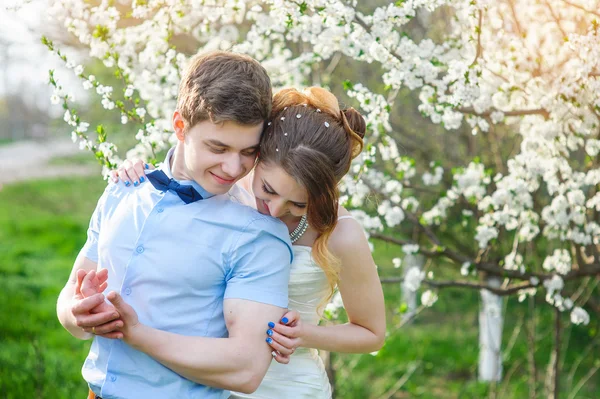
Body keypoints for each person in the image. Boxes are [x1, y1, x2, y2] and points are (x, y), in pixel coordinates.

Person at [112, 86, 386, 398]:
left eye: (299, 204)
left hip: (288, 387)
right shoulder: (221, 192)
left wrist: (304, 335)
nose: (274, 209)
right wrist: (137, 171)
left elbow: (372, 333)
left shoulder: (341, 233)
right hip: (199, 377)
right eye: (267, 188)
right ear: (257, 155)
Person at [56, 50, 294, 399]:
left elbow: (246, 369)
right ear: (180, 126)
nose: (233, 168)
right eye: (218, 147)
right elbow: (68, 299)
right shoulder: (121, 190)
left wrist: (137, 333)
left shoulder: (258, 235)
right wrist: (77, 314)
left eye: (248, 152)